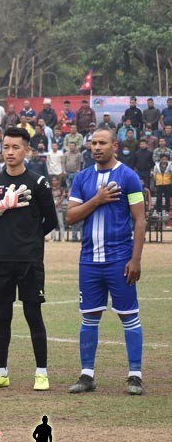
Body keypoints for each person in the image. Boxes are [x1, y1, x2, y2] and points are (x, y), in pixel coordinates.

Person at [0, 128, 58, 391]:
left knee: (33, 314)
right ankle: (1, 373)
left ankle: (41, 373)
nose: (10, 152)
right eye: (6, 147)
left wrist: (30, 241)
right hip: (0, 260)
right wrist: (0, 207)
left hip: (29, 261)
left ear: (27, 150)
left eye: (16, 147)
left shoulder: (38, 182)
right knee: (2, 318)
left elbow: (51, 222)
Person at [65, 129, 146, 395]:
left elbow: (140, 219)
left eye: (102, 143)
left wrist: (135, 259)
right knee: (89, 317)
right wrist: (97, 200)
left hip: (119, 260)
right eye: (93, 143)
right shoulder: (83, 178)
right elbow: (70, 217)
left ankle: (135, 375)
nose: (97, 147)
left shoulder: (128, 176)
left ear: (115, 145)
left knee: (128, 316)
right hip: (89, 261)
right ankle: (86, 375)